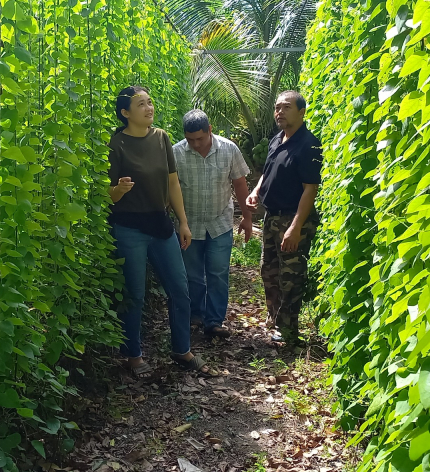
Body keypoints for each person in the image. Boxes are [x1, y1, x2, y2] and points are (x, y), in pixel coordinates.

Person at [108, 86, 213, 378]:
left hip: (160, 225)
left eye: (150, 102)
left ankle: (182, 350)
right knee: (135, 294)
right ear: (125, 113)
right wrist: (118, 189)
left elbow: (173, 183)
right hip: (129, 228)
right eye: (141, 104)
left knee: (180, 290)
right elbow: (109, 196)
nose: (149, 108)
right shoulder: (116, 144)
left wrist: (183, 221)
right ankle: (133, 355)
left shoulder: (161, 137)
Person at [246, 91, 322, 348]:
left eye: (286, 107)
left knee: (290, 276)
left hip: (293, 219)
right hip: (272, 217)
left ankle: (288, 331)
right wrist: (256, 192)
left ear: (301, 112)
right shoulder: (276, 140)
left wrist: (296, 227)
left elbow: (310, 189)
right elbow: (267, 173)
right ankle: (276, 319)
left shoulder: (309, 145)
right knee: (269, 271)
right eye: (277, 107)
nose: (279, 112)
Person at [173, 110, 252, 339]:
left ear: (210, 130)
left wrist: (247, 218)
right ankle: (195, 316)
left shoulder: (229, 149)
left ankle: (214, 321)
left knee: (218, 272)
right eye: (191, 140)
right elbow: (172, 188)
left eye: (200, 138)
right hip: (190, 224)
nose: (196, 144)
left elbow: (239, 184)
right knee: (192, 274)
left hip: (220, 222)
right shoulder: (177, 153)